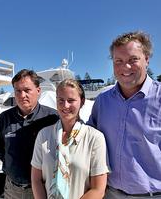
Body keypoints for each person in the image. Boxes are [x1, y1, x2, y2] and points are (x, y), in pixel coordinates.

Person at [87, 31, 161, 198]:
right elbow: (87, 139)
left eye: (133, 60)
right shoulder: (102, 102)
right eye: (118, 61)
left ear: (147, 59)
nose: (125, 67)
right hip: (110, 193)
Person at [31, 79, 109, 199]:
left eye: (71, 100)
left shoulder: (95, 138)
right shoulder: (44, 135)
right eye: (61, 100)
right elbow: (36, 180)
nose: (65, 105)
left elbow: (98, 189)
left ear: (82, 102)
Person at [0, 69, 59, 199]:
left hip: (42, 189)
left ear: (38, 91)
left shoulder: (53, 118)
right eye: (18, 91)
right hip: (12, 189)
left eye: (27, 90)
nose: (22, 95)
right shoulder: (4, 118)